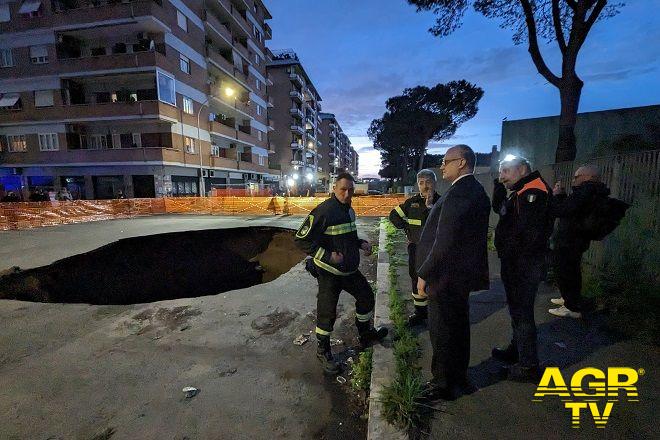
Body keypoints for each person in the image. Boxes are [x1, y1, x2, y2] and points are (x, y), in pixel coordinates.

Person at [416, 145, 490, 400]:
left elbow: (445, 241)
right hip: (459, 276)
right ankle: (458, 376)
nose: (442, 166)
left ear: (462, 163)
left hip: (446, 277)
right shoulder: (473, 191)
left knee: (442, 330)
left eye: (446, 161)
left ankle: (443, 384)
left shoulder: (460, 193)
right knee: (458, 328)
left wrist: (424, 273)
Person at [295, 172, 387, 374]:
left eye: (351, 190)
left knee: (366, 298)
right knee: (327, 312)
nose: (347, 193)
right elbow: (301, 239)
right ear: (334, 189)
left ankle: (365, 334)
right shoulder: (324, 211)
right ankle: (323, 351)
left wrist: (360, 243)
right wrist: (327, 256)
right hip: (329, 272)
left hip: (350, 271)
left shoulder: (349, 210)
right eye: (343, 189)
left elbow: (347, 236)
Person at [491, 155, 554, 382]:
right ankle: (517, 351)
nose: (502, 176)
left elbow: (529, 233)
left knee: (522, 313)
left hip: (524, 264)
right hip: (517, 262)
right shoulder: (520, 190)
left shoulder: (533, 192)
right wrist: (499, 187)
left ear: (523, 169)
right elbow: (501, 210)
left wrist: (512, 253)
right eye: (500, 172)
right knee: (517, 310)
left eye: (505, 171)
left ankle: (528, 366)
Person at [548, 165, 611, 318]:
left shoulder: (585, 192)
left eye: (577, 177)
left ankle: (572, 306)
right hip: (576, 239)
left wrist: (556, 195)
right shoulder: (591, 192)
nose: (574, 180)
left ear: (588, 177)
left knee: (566, 271)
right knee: (570, 271)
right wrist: (562, 196)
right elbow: (570, 209)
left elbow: (562, 211)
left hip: (570, 240)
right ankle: (569, 299)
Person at [388, 169, 441, 327]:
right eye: (421, 182)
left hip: (435, 249)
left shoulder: (442, 201)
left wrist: (430, 206)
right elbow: (393, 215)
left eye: (428, 182)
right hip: (415, 248)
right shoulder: (411, 203)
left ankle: (436, 312)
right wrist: (405, 227)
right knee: (415, 277)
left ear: (434, 183)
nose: (424, 186)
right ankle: (420, 312)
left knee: (435, 279)